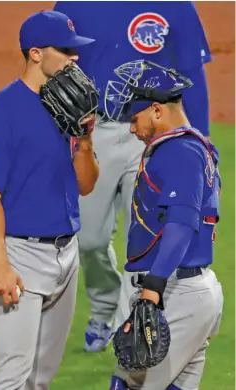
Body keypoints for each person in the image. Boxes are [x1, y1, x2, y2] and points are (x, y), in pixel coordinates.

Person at [53, 1, 213, 352]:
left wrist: (199, 144)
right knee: (88, 238)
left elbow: (192, 74)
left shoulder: (175, 6)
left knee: (143, 241)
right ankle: (104, 305)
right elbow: (56, 65)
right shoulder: (74, 4)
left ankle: (132, 327)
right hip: (94, 132)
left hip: (157, 133)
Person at [0, 10, 99, 390]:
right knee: (10, 377)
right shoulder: (2, 112)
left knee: (40, 379)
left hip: (66, 253)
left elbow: (85, 186)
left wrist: (86, 140)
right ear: (36, 53)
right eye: (66, 50)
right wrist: (1, 265)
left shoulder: (71, 107)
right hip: (19, 255)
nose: (75, 58)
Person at [104, 59, 223, 390]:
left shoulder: (180, 152)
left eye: (135, 118)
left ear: (157, 111)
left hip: (176, 290)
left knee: (130, 383)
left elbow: (181, 225)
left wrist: (151, 290)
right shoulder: (192, 146)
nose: (131, 128)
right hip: (184, 288)